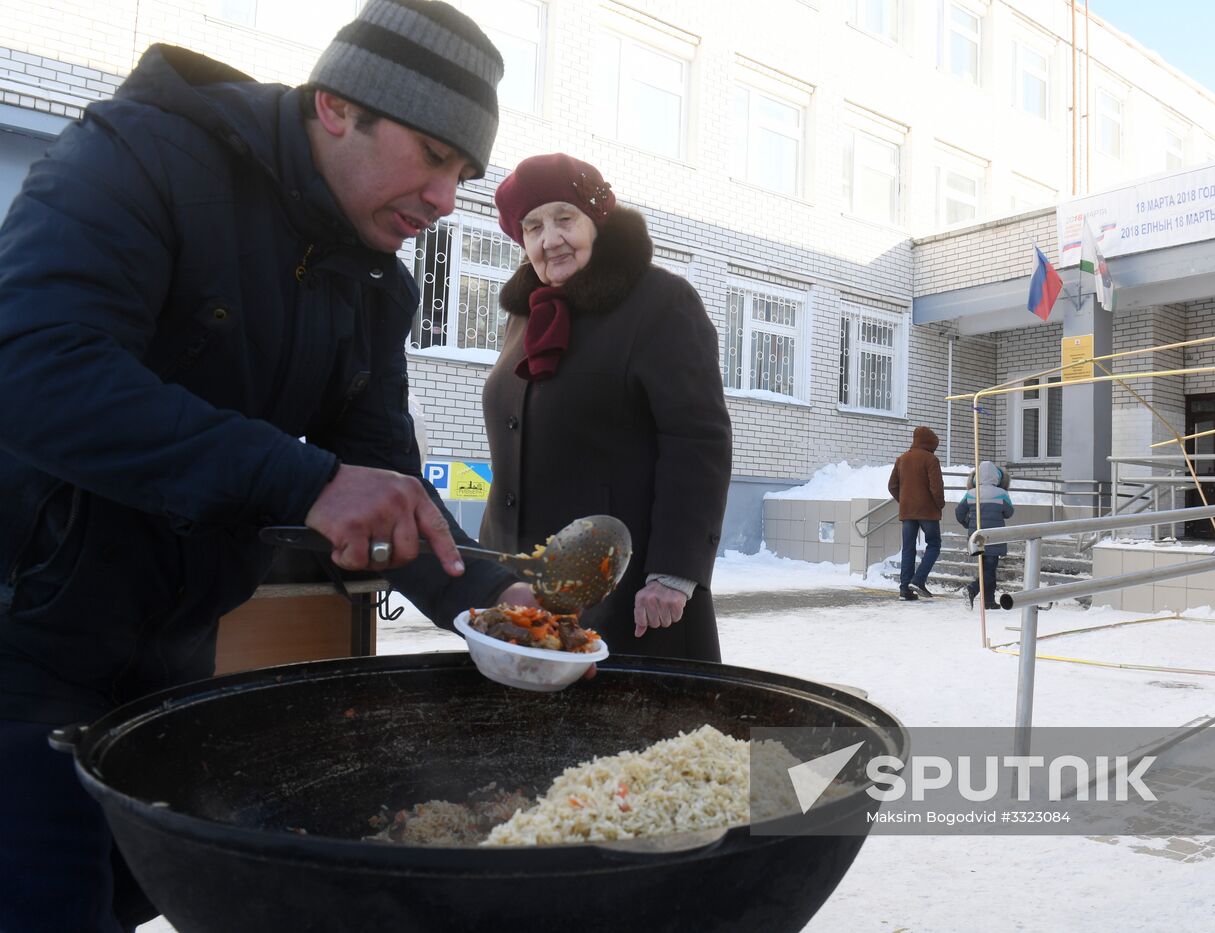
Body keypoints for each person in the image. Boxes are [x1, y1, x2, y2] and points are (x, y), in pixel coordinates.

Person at [0, 3, 531, 930]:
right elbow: (32, 362)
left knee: (132, 895)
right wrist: (303, 480)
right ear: (336, 106)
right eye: (434, 154)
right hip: (22, 644)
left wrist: (493, 608)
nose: (448, 198)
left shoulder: (376, 281)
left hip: (170, 662)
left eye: (463, 172)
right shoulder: (138, 156)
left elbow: (382, 486)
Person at [480, 153, 733, 662]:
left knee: (637, 737)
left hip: (628, 594)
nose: (549, 238)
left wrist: (673, 574)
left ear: (596, 221)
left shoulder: (661, 302)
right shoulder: (527, 317)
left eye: (564, 218)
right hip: (526, 588)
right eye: (532, 226)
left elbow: (697, 441)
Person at [887, 426, 946, 600]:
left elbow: (892, 486)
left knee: (908, 549)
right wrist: (939, 504)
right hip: (927, 512)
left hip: (907, 512)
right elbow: (936, 487)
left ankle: (905, 590)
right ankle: (918, 580)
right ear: (929, 443)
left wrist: (905, 501)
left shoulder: (902, 459)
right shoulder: (931, 460)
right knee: (934, 545)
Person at [956, 461, 1016, 610]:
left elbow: (959, 513)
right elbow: (1009, 513)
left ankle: (989, 600)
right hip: (993, 536)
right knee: (990, 569)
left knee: (985, 568)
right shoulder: (1002, 493)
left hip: (977, 536)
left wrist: (967, 524)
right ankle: (972, 589)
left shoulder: (971, 493)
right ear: (996, 476)